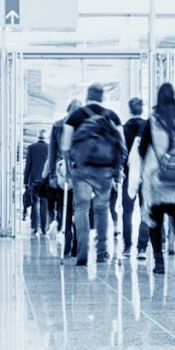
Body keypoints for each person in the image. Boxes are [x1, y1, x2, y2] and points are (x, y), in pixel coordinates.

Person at [130, 84, 175, 274]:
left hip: (157, 181)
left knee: (155, 221)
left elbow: (142, 149)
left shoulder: (152, 122)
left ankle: (159, 262)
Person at [61, 84, 126, 266]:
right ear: (102, 97)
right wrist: (117, 170)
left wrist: (68, 168)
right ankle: (102, 252)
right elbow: (122, 147)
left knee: (81, 208)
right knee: (102, 209)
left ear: (87, 96)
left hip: (81, 169)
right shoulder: (112, 116)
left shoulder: (75, 116)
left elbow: (65, 147)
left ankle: (82, 250)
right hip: (105, 170)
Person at [46, 100, 81, 253]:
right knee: (79, 208)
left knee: (64, 207)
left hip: (63, 172)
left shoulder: (58, 125)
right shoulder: (85, 124)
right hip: (81, 172)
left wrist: (52, 175)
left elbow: (52, 152)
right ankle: (77, 241)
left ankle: (68, 237)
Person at [121, 97, 148, 259]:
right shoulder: (148, 128)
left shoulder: (123, 130)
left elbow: (120, 153)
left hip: (127, 175)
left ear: (130, 110)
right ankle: (142, 248)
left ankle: (127, 246)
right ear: (142, 108)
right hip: (146, 175)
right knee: (145, 211)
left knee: (127, 212)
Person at [24, 131, 50, 235]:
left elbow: (28, 165)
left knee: (35, 203)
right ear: (46, 137)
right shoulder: (49, 148)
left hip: (34, 179)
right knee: (45, 203)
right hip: (46, 180)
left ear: (37, 136)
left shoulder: (31, 147)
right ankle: (44, 228)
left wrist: (25, 181)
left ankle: (35, 227)